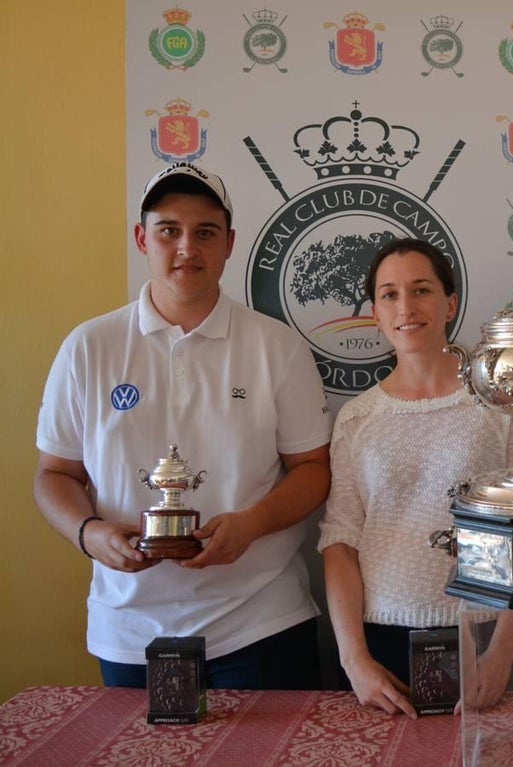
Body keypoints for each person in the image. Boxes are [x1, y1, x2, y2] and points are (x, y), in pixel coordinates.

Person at [34, 162, 333, 689]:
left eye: (205, 233)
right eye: (168, 230)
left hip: (260, 622)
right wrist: (88, 533)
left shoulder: (276, 347)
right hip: (128, 630)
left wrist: (254, 522)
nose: (186, 248)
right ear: (141, 238)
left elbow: (313, 468)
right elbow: (54, 474)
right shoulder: (89, 347)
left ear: (229, 244)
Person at [319, 238, 513, 718]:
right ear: (375, 313)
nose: (406, 307)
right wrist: (355, 661)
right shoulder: (356, 419)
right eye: (390, 294)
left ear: (450, 303)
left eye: (421, 290)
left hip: (484, 636)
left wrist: (504, 650)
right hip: (380, 647)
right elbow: (340, 542)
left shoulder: (500, 406)